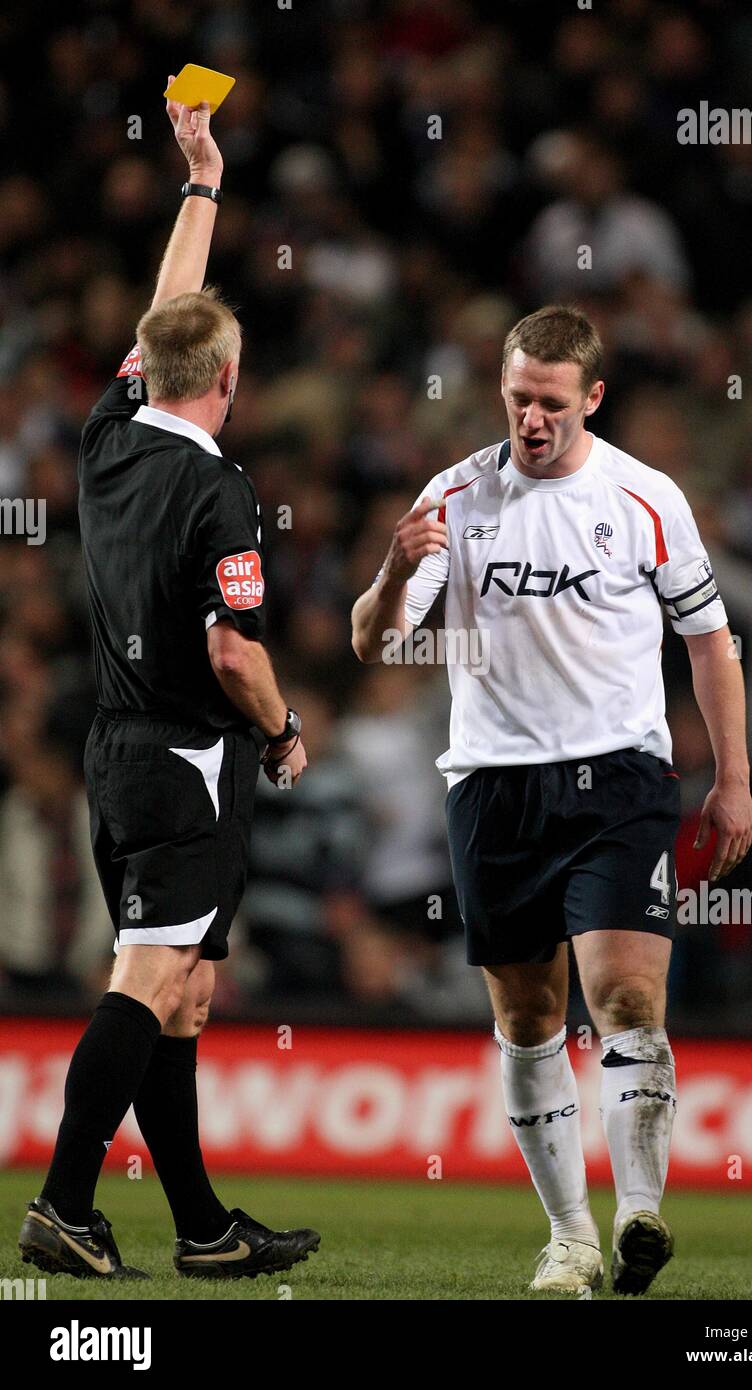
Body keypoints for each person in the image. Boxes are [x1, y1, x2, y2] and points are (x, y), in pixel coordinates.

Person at [351, 304, 752, 1294]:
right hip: (494, 785)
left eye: (553, 403)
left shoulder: (645, 497)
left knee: (625, 998)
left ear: (593, 397)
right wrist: (398, 564)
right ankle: (568, 1236)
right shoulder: (453, 497)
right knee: (530, 1021)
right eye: (519, 398)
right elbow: (372, 642)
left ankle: (641, 1211)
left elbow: (709, 641)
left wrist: (732, 778)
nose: (533, 419)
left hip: (619, 777)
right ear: (503, 388)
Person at [18, 84, 318, 1281]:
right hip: (189, 760)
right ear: (230, 376)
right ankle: (61, 1203)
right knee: (148, 985)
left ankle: (199, 1226)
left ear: (154, 370)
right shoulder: (220, 490)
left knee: (182, 993)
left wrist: (203, 185)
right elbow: (233, 649)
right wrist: (286, 728)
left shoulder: (105, 440)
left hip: (116, 752)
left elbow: (164, 317)